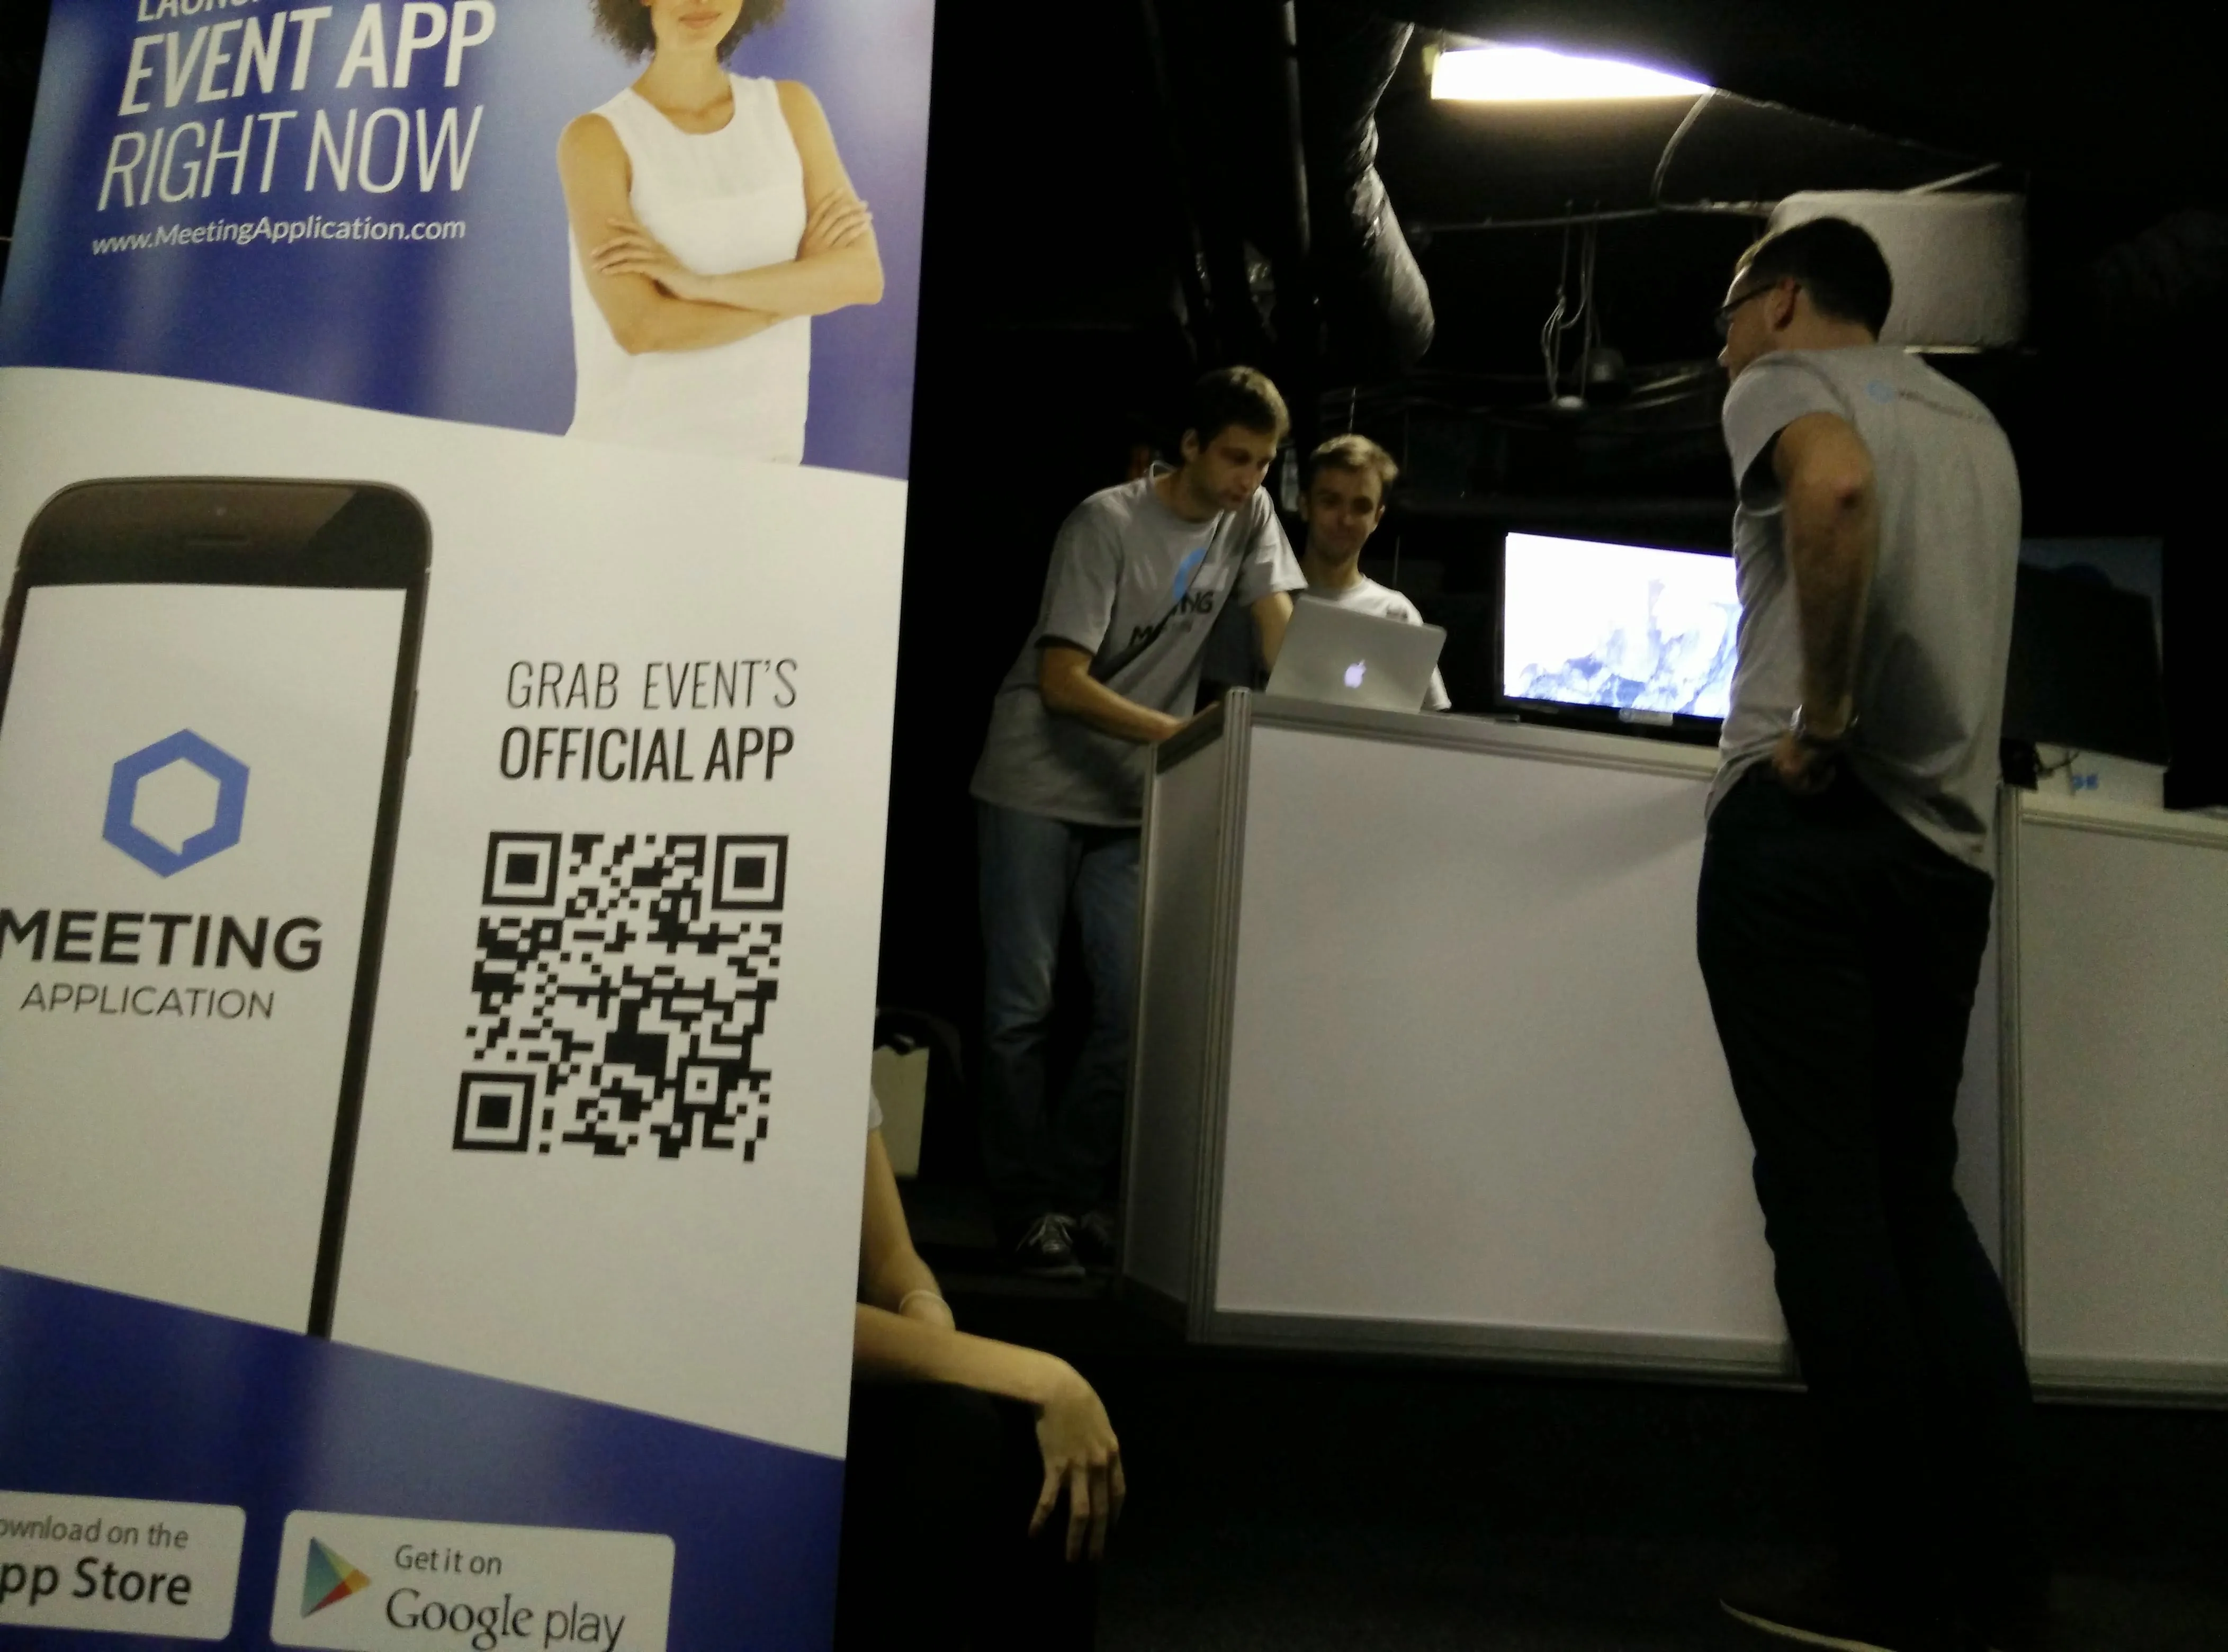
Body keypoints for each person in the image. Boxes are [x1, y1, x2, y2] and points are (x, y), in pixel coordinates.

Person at [1695, 218, 2043, 1652]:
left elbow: (1830, 496)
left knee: (1825, 1199)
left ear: (1780, 301)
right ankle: (1997, 1570)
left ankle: (1887, 1582)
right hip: (1945, 857)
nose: (1722, 345)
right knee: (1916, 1195)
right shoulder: (1979, 423)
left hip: (1814, 838)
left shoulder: (1789, 386)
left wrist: (1820, 719)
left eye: (1728, 314)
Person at [968, 366, 1306, 1276]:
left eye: (1264, 464)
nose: (1249, 480)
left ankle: (1075, 1198)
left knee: (1129, 1008)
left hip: (1127, 798)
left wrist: (1319, 699)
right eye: (1236, 458)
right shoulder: (1104, 522)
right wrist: (1189, 733)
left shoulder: (1250, 518)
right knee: (1020, 1009)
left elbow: (1279, 637)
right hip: (1033, 783)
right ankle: (1021, 1207)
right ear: (1189, 446)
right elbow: (1059, 681)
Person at [841, 1087, 1118, 1650]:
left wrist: (925, 1306)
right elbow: (765, 1316)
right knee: (963, 1433)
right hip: (714, 1385)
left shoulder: (831, 1042)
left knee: (1042, 1449)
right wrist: (1042, 1375)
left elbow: (891, 1259)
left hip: (830, 1364)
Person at [560, 0, 885, 462]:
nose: (702, 3)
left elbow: (862, 277)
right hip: (631, 459)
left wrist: (700, 286)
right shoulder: (596, 140)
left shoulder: (791, 109)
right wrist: (798, 290)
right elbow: (642, 328)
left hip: (767, 458)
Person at [1293, 432, 1450, 711]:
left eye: (1361, 506)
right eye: (1331, 502)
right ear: (1305, 506)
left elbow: (1432, 727)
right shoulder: (1265, 600)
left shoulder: (1397, 614)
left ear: (1377, 518)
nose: (1345, 519)